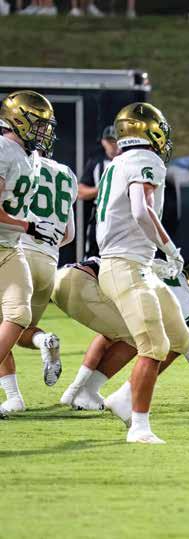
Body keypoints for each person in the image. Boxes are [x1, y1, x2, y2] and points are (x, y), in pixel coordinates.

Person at [95, 102, 189, 444]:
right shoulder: (145, 159)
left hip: (134, 263)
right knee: (154, 345)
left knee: (180, 338)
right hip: (126, 264)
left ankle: (124, 398)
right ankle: (139, 427)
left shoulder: (117, 162)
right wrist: (170, 248)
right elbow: (141, 210)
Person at [55, 259, 189, 420]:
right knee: (152, 339)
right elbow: (186, 346)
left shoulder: (167, 270)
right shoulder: (187, 304)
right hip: (89, 284)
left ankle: (78, 390)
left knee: (122, 329)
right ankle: (116, 396)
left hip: (76, 275)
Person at [0, 145, 79, 413]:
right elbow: (68, 234)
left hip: (16, 250)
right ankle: (44, 341)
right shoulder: (66, 173)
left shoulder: (21, 163)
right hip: (49, 261)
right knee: (21, 328)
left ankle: (14, 397)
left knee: (5, 326)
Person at [0, 90, 59, 420]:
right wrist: (29, 225)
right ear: (19, 120)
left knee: (19, 316)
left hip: (10, 246)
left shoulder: (28, 155)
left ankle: (12, 398)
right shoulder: (3, 149)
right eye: (38, 125)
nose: (43, 132)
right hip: (8, 242)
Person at [80, 125, 119, 258]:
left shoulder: (128, 162)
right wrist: (102, 189)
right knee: (93, 256)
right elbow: (81, 191)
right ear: (103, 142)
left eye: (116, 141)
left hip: (123, 216)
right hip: (101, 215)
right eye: (110, 141)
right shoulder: (96, 163)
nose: (113, 145)